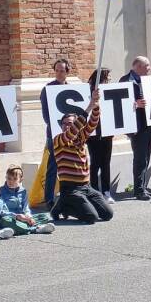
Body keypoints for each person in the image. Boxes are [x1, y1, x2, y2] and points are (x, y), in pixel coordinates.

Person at [50, 89, 114, 223]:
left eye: (71, 123)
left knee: (108, 214)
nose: (68, 126)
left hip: (86, 186)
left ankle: (66, 203)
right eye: (65, 123)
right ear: (61, 126)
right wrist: (89, 106)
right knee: (92, 217)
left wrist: (96, 105)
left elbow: (92, 123)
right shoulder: (58, 140)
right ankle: (64, 206)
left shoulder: (81, 137)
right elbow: (72, 131)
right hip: (70, 188)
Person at [121, 56, 151, 201]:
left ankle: (142, 186)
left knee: (146, 157)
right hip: (137, 126)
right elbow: (120, 103)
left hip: (149, 124)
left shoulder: (148, 80)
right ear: (138, 66)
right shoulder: (125, 81)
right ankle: (138, 190)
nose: (149, 68)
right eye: (147, 66)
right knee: (140, 158)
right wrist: (135, 105)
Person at [40, 58, 72, 208]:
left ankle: (68, 196)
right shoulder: (47, 89)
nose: (59, 73)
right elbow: (46, 115)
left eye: (62, 70)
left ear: (67, 72)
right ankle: (49, 199)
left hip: (70, 135)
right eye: (57, 70)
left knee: (69, 165)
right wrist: (57, 128)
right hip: (53, 134)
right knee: (52, 166)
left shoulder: (72, 89)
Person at [0, 165, 56, 234]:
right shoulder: (1, 191)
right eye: (9, 178)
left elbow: (26, 208)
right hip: (10, 218)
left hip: (23, 219)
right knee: (6, 221)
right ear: (6, 177)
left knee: (44, 216)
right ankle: (36, 229)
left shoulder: (23, 191)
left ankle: (23, 227)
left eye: (15, 179)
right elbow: (2, 212)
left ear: (20, 180)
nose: (11, 181)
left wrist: (29, 217)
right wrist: (16, 216)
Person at [85, 68, 115, 203]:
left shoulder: (110, 91)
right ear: (101, 78)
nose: (109, 80)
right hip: (93, 133)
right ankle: (94, 191)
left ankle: (106, 191)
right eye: (108, 77)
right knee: (95, 162)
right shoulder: (90, 91)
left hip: (107, 132)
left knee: (106, 163)